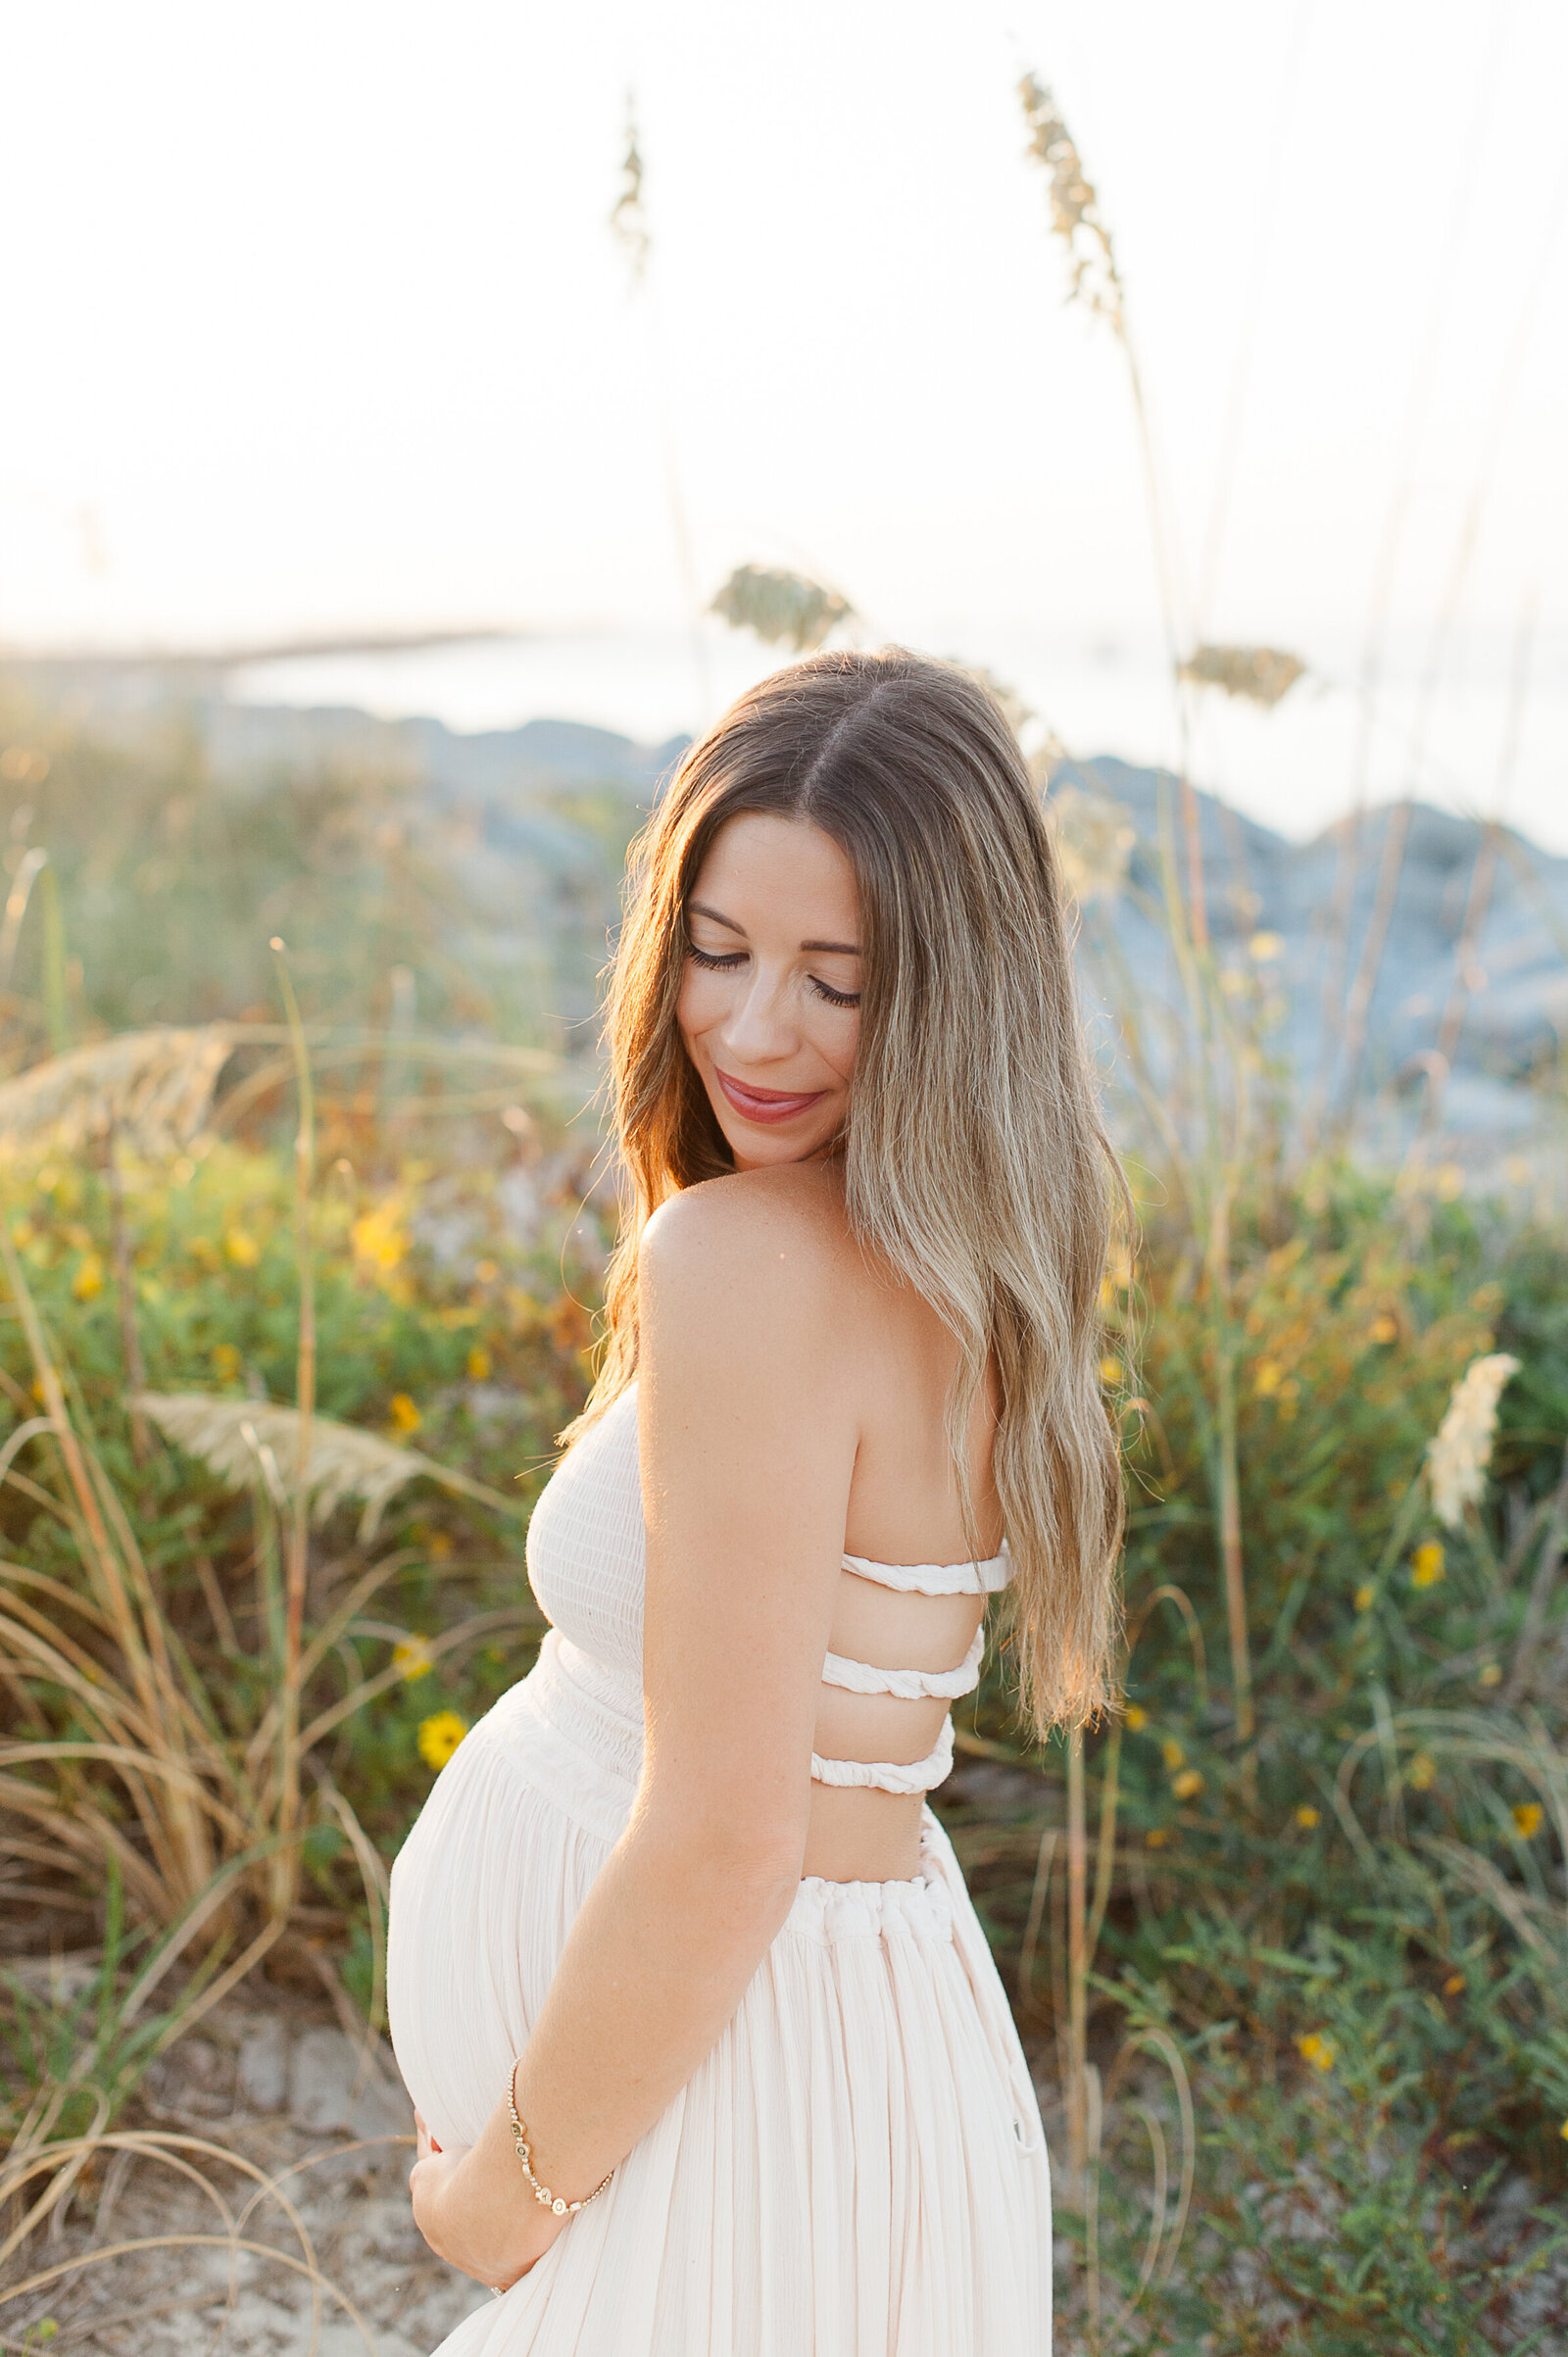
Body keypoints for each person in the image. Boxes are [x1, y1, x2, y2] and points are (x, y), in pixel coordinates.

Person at [386, 646, 1125, 2355]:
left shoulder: (744, 1262)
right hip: (843, 2067)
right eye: (714, 952)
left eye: (837, 980)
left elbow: (727, 1841)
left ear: (958, 991)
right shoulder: (971, 1264)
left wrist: (496, 2198)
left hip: (722, 2107)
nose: (750, 1026)